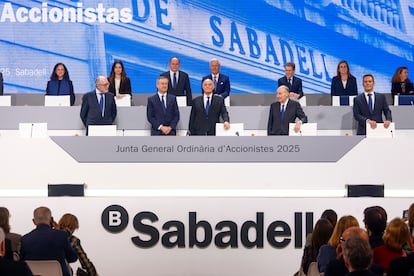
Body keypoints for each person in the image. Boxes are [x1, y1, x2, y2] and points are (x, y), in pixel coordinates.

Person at [20, 207, 78, 276]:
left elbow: (22, 261)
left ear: (34, 221)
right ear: (51, 219)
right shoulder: (61, 235)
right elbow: (72, 257)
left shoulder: (25, 239)